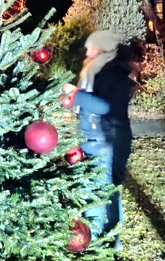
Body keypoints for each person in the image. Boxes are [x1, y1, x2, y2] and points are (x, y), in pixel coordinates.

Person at [61, 31, 144, 249]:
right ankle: (102, 238)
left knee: (103, 190)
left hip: (106, 140)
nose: (87, 53)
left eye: (92, 48)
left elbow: (104, 106)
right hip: (94, 138)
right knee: (100, 188)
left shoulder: (111, 74)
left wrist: (76, 94)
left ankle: (100, 240)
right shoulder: (98, 71)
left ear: (104, 49)